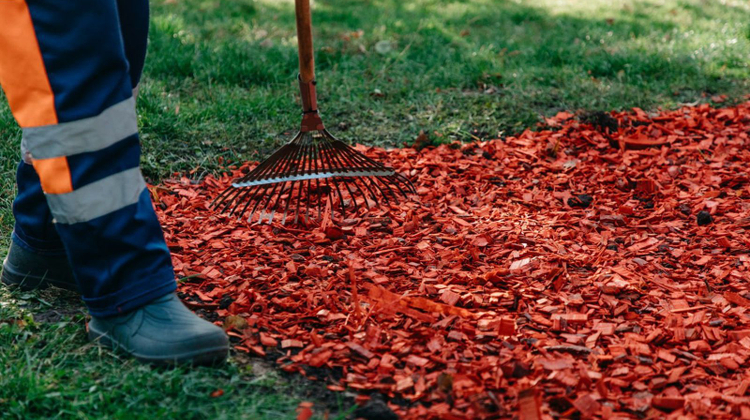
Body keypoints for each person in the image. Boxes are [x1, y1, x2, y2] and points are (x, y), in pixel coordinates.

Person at [0, 0, 229, 364]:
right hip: (126, 280)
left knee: (119, 32)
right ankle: (126, 283)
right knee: (70, 47)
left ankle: (47, 240)